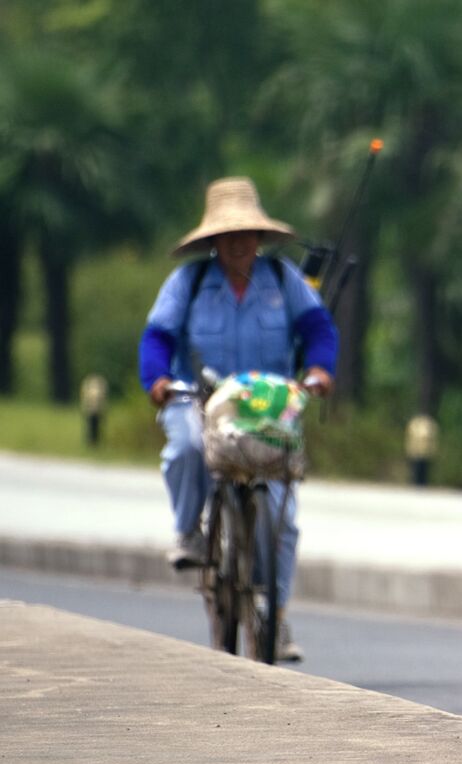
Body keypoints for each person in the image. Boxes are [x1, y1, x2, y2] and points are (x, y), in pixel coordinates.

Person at [138, 177, 338, 662]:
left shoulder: (283, 280)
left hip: (265, 407)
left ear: (259, 237)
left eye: (246, 234)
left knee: (282, 519)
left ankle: (276, 613)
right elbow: (157, 338)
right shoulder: (189, 282)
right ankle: (189, 531)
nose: (239, 244)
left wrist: (318, 371)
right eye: (228, 236)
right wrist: (158, 380)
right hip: (200, 399)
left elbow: (318, 330)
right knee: (185, 445)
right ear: (214, 241)